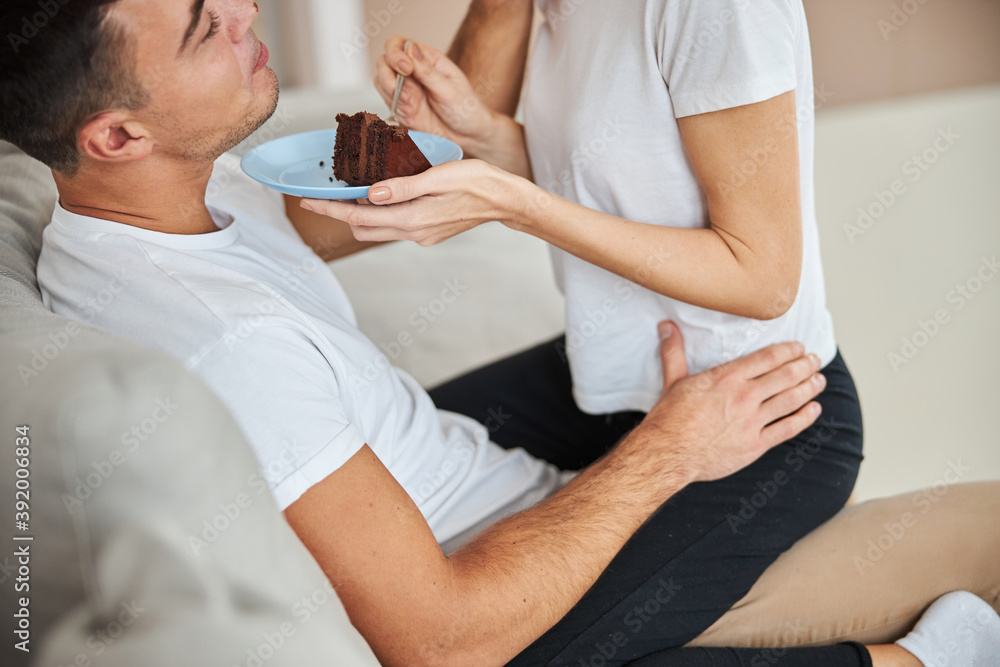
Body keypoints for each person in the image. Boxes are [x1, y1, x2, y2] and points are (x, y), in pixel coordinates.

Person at [1, 1, 997, 666]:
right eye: (201, 28)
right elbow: (440, 642)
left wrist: (477, 86)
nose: (244, 8)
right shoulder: (235, 350)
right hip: (474, 580)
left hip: (439, 472)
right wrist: (669, 450)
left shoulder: (152, 216)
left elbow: (406, 173)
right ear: (116, 135)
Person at [301, 0, 866, 661]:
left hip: (763, 406)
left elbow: (763, 277)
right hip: (601, 376)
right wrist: (487, 139)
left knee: (507, 653)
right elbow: (621, 174)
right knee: (350, 508)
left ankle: (927, 652)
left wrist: (517, 206)